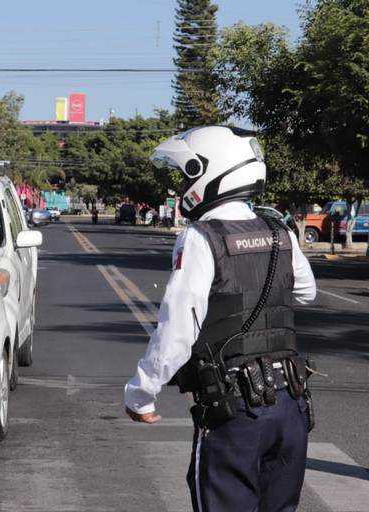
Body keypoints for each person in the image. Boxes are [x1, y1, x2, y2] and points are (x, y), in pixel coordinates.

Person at [124, 126, 317, 512]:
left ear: (210, 172)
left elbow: (179, 325)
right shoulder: (280, 232)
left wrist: (141, 393)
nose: (183, 185)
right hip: (290, 405)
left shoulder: (201, 237)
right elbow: (306, 292)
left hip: (237, 411)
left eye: (187, 174)